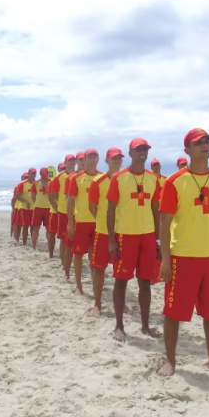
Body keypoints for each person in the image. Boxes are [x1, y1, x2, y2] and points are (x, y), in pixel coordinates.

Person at [157, 128, 209, 377]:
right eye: (198, 143)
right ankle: (170, 360)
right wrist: (166, 260)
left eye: (207, 141)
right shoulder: (174, 181)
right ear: (187, 150)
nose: (205, 146)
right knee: (173, 313)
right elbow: (164, 223)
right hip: (183, 256)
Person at [106, 139, 161, 340]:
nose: (143, 153)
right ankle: (119, 325)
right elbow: (110, 210)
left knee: (145, 282)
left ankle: (146, 326)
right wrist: (112, 240)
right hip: (124, 235)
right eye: (139, 150)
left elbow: (156, 210)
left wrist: (158, 240)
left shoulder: (153, 179)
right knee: (121, 281)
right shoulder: (119, 178)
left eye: (145, 149)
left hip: (146, 236)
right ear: (130, 153)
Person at [87, 147, 124, 315]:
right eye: (114, 158)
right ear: (107, 161)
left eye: (119, 158)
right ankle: (97, 303)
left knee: (121, 271)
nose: (117, 160)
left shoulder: (126, 179)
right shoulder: (98, 181)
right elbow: (92, 207)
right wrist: (103, 221)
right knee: (99, 268)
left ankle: (120, 302)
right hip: (102, 231)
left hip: (123, 231)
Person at [67, 149, 101, 295]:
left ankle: (95, 285)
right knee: (78, 254)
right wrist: (71, 224)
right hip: (81, 221)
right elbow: (70, 201)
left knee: (95, 256)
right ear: (84, 160)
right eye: (89, 157)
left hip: (98, 223)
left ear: (98, 159)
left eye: (95, 157)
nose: (92, 160)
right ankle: (79, 285)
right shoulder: (76, 178)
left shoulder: (102, 177)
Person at [48, 155, 75, 263]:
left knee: (74, 239)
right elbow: (52, 195)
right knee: (63, 239)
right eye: (69, 161)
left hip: (77, 213)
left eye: (73, 160)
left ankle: (69, 260)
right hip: (63, 212)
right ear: (65, 162)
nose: (72, 162)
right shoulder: (58, 178)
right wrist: (58, 206)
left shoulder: (78, 175)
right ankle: (64, 262)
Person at [14, 169, 37, 246]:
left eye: (34, 173)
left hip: (34, 208)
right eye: (32, 173)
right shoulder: (22, 184)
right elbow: (17, 196)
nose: (33, 175)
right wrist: (26, 201)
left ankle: (33, 243)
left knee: (33, 227)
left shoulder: (37, 183)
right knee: (25, 226)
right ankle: (24, 242)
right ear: (29, 174)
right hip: (24, 208)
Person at [31, 167, 52, 251]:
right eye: (43, 175)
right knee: (36, 228)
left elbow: (50, 193)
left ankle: (50, 246)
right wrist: (36, 203)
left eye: (45, 175)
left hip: (48, 208)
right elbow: (33, 196)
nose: (44, 177)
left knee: (48, 229)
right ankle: (34, 246)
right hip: (38, 208)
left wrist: (44, 184)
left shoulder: (51, 182)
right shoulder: (35, 183)